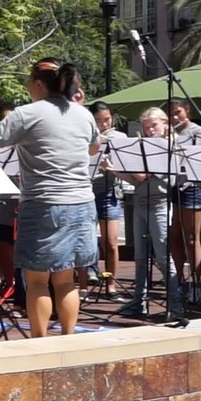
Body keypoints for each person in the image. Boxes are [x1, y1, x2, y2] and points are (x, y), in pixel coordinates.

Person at [0, 58, 99, 337]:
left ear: (38, 84)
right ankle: (68, 337)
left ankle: (39, 344)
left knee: (37, 280)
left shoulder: (27, 113)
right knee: (66, 279)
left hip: (44, 204)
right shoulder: (83, 113)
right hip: (81, 202)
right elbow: (93, 148)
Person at [107, 107, 182, 319]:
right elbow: (136, 180)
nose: (149, 131)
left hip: (158, 204)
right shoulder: (144, 146)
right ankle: (139, 300)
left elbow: (143, 175)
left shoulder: (168, 147)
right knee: (140, 256)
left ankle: (175, 304)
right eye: (146, 127)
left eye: (154, 126)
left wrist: (124, 164)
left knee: (162, 256)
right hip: (140, 202)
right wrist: (114, 170)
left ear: (165, 124)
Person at [169, 100, 201, 303]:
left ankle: (196, 283)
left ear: (187, 111)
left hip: (192, 186)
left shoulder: (197, 131)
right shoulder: (169, 133)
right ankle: (179, 280)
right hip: (173, 186)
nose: (175, 118)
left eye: (178, 113)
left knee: (192, 237)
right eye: (171, 114)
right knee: (175, 236)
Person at [89, 101, 128, 301]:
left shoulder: (119, 138)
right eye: (98, 121)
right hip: (87, 191)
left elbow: (127, 164)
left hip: (110, 192)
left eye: (107, 120)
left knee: (111, 242)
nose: (104, 124)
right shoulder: (86, 136)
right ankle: (84, 282)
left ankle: (111, 285)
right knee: (85, 241)